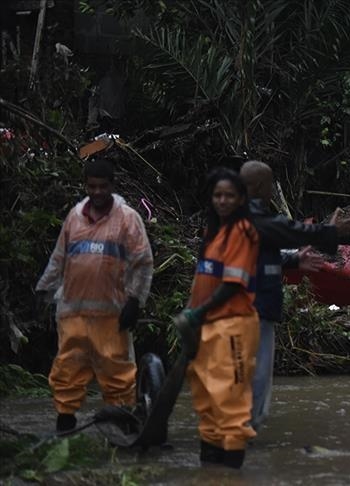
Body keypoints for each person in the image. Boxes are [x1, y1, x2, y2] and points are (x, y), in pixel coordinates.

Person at [35, 157, 154, 433]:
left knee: (117, 373)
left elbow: (143, 262)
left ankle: (123, 424)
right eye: (92, 186)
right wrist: (43, 288)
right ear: (85, 186)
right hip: (72, 311)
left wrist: (136, 300)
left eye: (103, 186)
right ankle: (65, 422)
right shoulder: (74, 217)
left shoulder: (128, 219)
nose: (97, 192)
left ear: (112, 185)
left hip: (112, 314)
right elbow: (59, 257)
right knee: (67, 369)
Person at [238, 160, 339, 431]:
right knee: (256, 375)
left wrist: (293, 260)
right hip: (253, 309)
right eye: (270, 185)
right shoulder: (253, 218)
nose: (272, 190)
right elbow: (286, 230)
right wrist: (328, 232)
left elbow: (259, 253)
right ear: (260, 187)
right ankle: (242, 431)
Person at [176, 167, 260, 469]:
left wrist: (198, 312)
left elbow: (232, 284)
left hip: (233, 323)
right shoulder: (214, 234)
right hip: (207, 324)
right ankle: (210, 472)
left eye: (229, 196)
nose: (222, 201)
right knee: (205, 394)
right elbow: (203, 281)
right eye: (217, 195)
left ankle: (231, 473)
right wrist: (190, 311)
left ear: (240, 199)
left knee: (231, 400)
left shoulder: (243, 231)